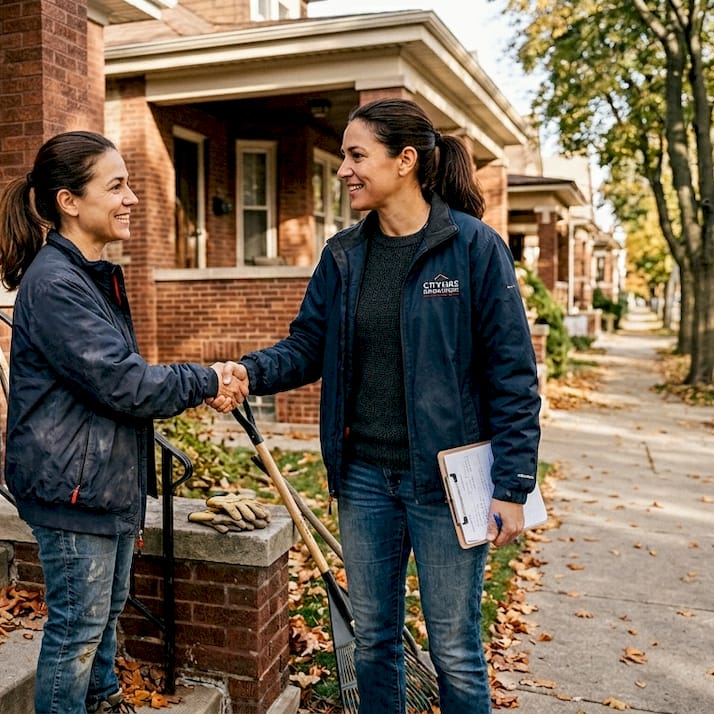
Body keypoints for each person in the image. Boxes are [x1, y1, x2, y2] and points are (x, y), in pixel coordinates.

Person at [228, 98, 541, 713]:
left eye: (355, 155)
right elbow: (306, 347)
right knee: (373, 642)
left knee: (454, 646)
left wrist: (514, 484)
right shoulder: (345, 255)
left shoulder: (473, 248)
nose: (343, 168)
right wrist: (246, 372)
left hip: (446, 481)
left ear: (405, 162)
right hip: (365, 477)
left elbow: (513, 374)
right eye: (344, 155)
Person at [0, 130, 246, 714]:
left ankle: (104, 701)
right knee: (76, 632)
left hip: (102, 484)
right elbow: (124, 382)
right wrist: (206, 380)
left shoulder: (89, 275)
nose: (133, 198)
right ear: (69, 201)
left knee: (104, 617)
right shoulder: (57, 284)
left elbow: (119, 380)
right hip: (72, 489)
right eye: (117, 185)